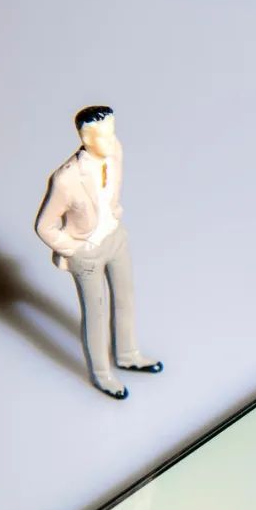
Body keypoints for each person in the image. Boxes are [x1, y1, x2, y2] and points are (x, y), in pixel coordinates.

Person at [35, 106, 162, 399]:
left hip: (115, 238)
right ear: (85, 138)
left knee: (125, 298)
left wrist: (115, 217)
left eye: (112, 131)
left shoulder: (115, 150)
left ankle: (127, 354)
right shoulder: (66, 179)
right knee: (96, 313)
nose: (111, 139)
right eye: (103, 135)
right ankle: (102, 375)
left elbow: (112, 191)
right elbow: (44, 225)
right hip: (87, 252)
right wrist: (74, 249)